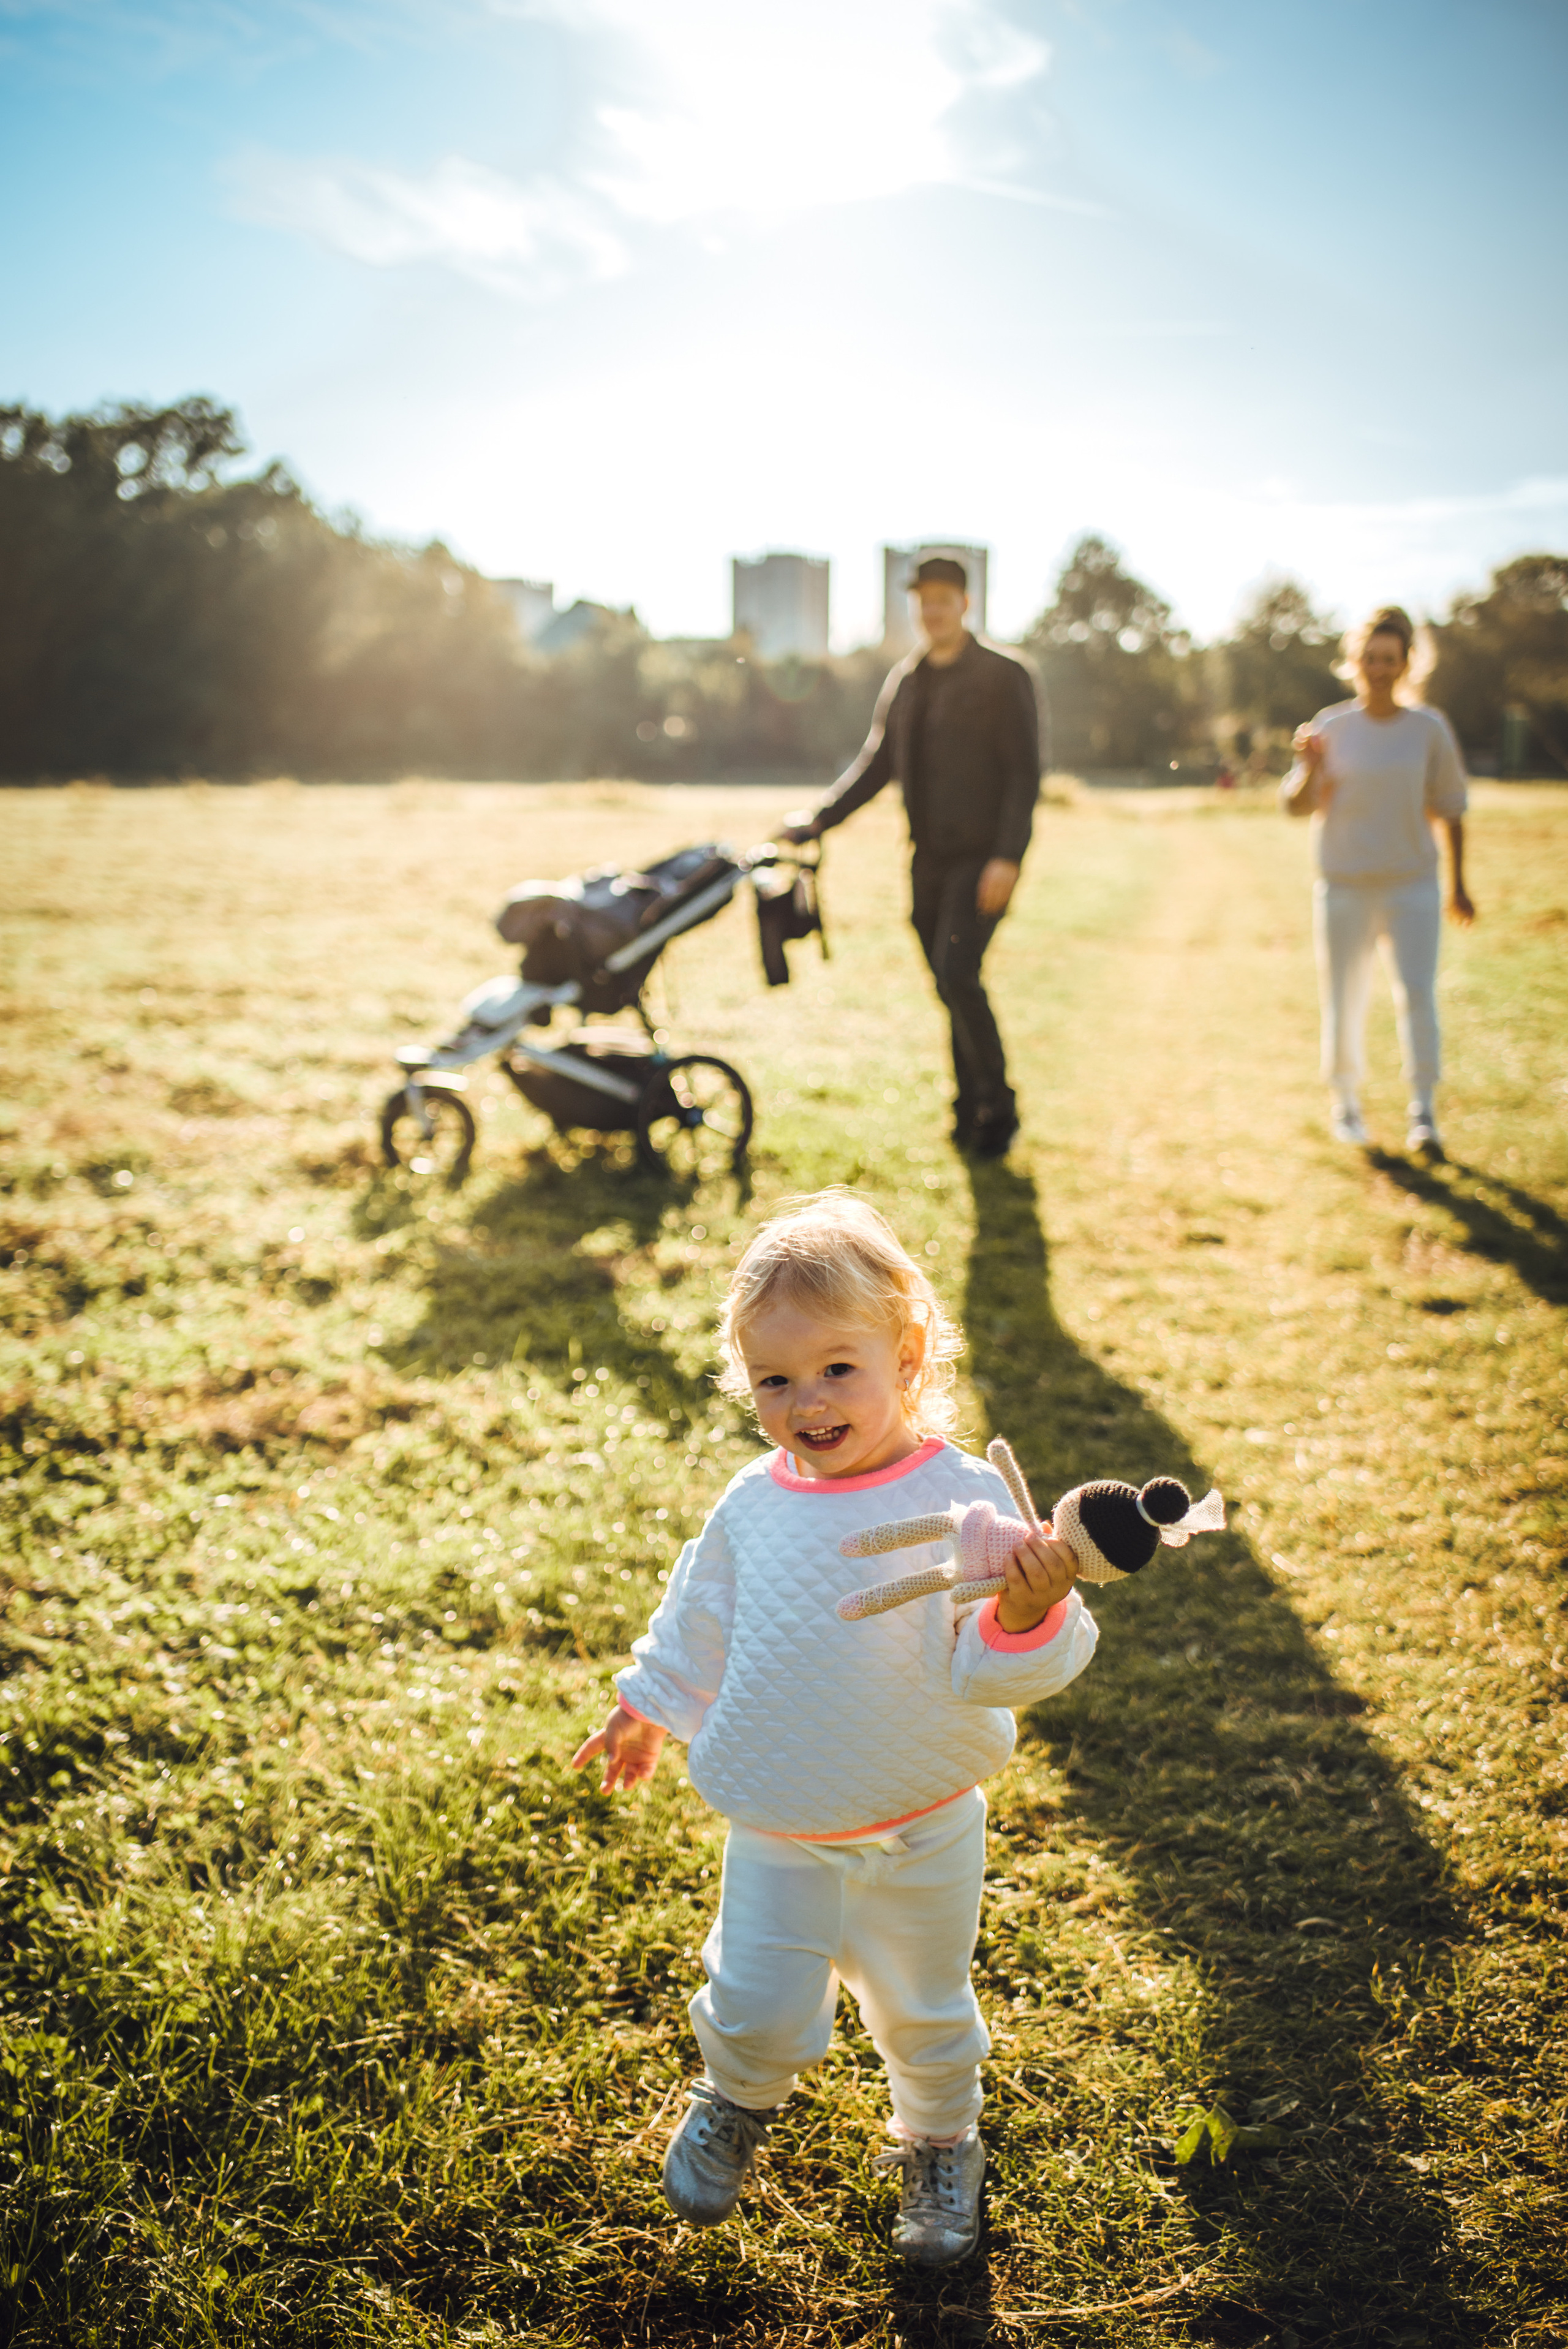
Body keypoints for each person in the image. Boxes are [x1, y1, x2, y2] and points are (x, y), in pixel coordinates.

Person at [570, 1190, 1097, 2265]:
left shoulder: (965, 1498)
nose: (806, 1399)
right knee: (757, 1998)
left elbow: (1002, 1664)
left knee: (925, 2007)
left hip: (927, 1821)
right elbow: (698, 1614)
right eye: (775, 1378)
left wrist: (1029, 1607)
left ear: (906, 1354)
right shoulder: (754, 1501)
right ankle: (738, 2093)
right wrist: (648, 1703)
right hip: (783, 1819)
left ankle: (943, 2142)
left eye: (836, 1367)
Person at [780, 557, 1042, 1157]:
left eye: (944, 599)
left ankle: (996, 1110)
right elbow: (877, 764)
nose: (932, 610)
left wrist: (1008, 857)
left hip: (982, 859)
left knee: (958, 975)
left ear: (965, 605)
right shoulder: (909, 679)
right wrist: (817, 819)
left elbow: (1025, 773)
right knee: (949, 983)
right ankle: (968, 1104)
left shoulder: (1006, 676)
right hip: (927, 859)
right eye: (923, 600)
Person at [1281, 604, 1474, 1154]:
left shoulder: (1428, 729)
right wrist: (1312, 768)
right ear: (1355, 661)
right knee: (1344, 995)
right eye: (1370, 657)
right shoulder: (1330, 726)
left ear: (1407, 663)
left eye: (1390, 659)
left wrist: (1459, 885)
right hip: (1343, 885)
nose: (1380, 668)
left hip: (1412, 885)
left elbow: (1452, 809)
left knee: (1416, 994)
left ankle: (1424, 1112)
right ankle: (1345, 1103)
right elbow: (1295, 808)